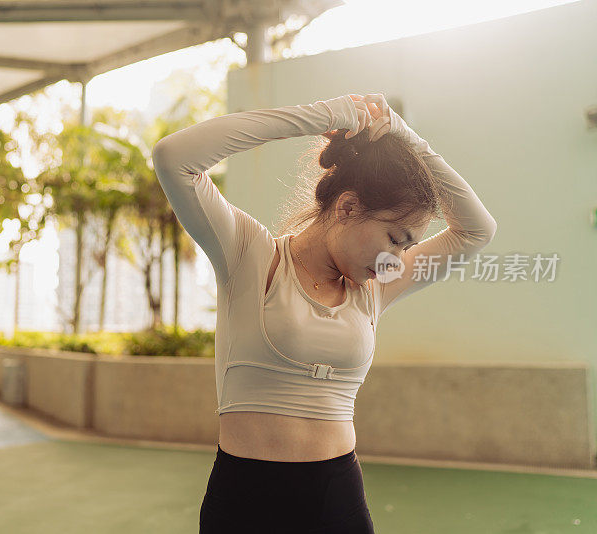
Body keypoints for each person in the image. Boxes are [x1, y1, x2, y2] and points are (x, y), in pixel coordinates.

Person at [151, 93, 497, 533]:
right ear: (349, 206)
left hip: (338, 499)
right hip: (245, 500)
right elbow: (173, 157)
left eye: (408, 246)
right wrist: (323, 115)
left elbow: (476, 230)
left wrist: (403, 136)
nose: (397, 256)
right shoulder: (251, 255)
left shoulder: (378, 284)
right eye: (394, 237)